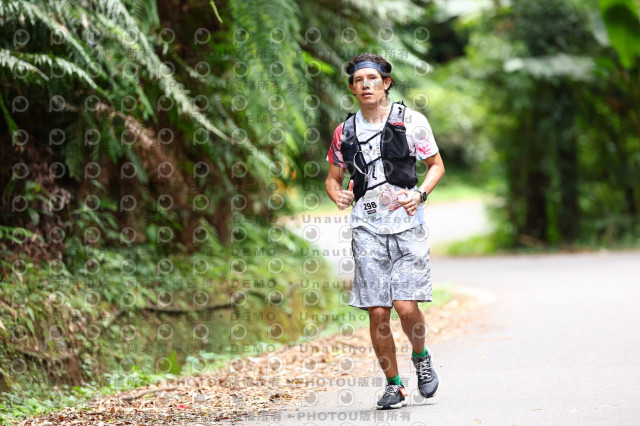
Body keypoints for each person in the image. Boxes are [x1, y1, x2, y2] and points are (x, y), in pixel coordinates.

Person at [325, 52, 445, 410]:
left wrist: (420, 194)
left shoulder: (411, 121)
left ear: (386, 83)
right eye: (358, 80)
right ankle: (394, 385)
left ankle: (421, 356)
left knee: (405, 307)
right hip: (366, 228)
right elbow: (332, 179)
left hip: (407, 226)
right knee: (378, 312)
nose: (366, 85)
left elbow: (436, 165)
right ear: (352, 88)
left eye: (372, 79)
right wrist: (338, 194)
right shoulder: (345, 131)